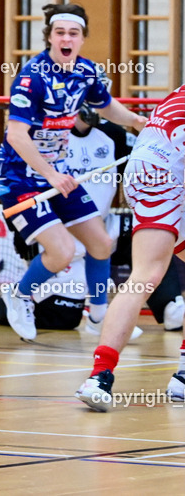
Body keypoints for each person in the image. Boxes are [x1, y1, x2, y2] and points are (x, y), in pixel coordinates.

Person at [0, 3, 146, 341]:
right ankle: (18, 296)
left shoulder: (87, 72)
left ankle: (98, 316)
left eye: (73, 33)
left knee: (102, 244)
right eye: (60, 33)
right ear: (49, 37)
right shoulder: (32, 77)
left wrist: (135, 121)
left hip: (57, 174)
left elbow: (106, 105)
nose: (66, 39)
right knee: (61, 251)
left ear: (82, 39)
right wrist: (50, 173)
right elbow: (16, 136)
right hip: (20, 180)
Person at [0, 107, 184, 333]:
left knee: (155, 234)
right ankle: (15, 298)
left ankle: (167, 306)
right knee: (64, 318)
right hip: (61, 232)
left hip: (100, 225)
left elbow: (147, 164)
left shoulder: (114, 134)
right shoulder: (50, 136)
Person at [77, 85, 185, 411]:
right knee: (145, 276)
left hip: (150, 169)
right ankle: (99, 376)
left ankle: (182, 377)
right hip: (161, 173)